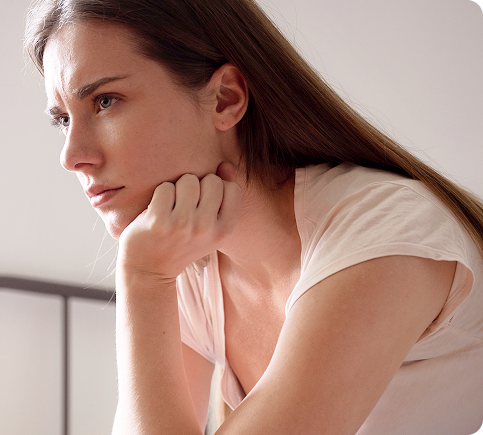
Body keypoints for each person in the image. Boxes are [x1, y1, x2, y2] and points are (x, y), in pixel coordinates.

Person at [24, 1, 483, 434]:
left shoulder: (384, 232)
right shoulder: (186, 267)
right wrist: (146, 277)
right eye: (63, 119)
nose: (71, 156)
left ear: (225, 99)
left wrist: (141, 277)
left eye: (105, 101)